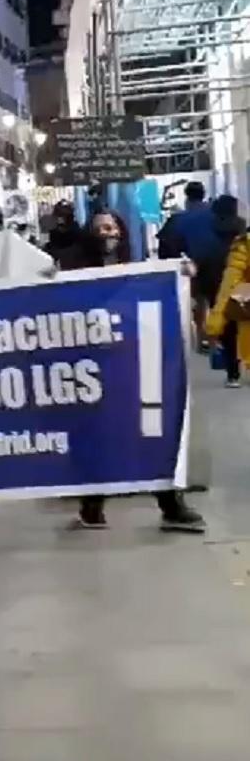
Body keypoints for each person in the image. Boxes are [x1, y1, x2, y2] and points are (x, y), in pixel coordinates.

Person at [63, 211, 205, 533]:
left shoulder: (139, 267)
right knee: (99, 436)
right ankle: (92, 505)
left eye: (110, 227)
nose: (106, 233)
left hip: (136, 363)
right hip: (95, 366)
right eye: (99, 228)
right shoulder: (74, 266)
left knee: (153, 431)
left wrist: (181, 276)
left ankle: (170, 504)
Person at [162, 184, 228, 351]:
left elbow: (168, 243)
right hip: (219, 262)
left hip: (194, 263)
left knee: (199, 300)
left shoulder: (179, 218)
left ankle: (201, 339)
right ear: (204, 194)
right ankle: (217, 341)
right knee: (217, 302)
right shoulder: (216, 214)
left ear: (186, 197)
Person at [206, 208, 250, 388]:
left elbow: (231, 282)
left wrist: (216, 318)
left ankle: (233, 374)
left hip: (242, 295)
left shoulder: (243, 244)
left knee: (231, 330)